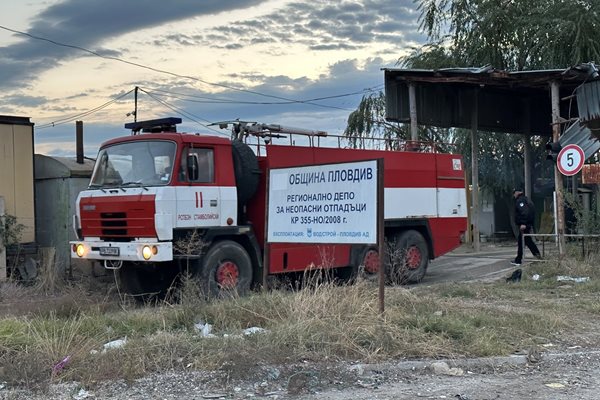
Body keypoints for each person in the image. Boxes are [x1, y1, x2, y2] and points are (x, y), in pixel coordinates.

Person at [511, 189, 542, 266]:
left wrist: (523, 223)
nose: (514, 195)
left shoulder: (520, 201)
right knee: (527, 241)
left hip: (524, 225)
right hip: (527, 224)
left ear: (517, 193)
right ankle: (538, 257)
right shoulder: (526, 199)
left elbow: (525, 212)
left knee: (522, 241)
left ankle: (519, 260)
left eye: (514, 193)